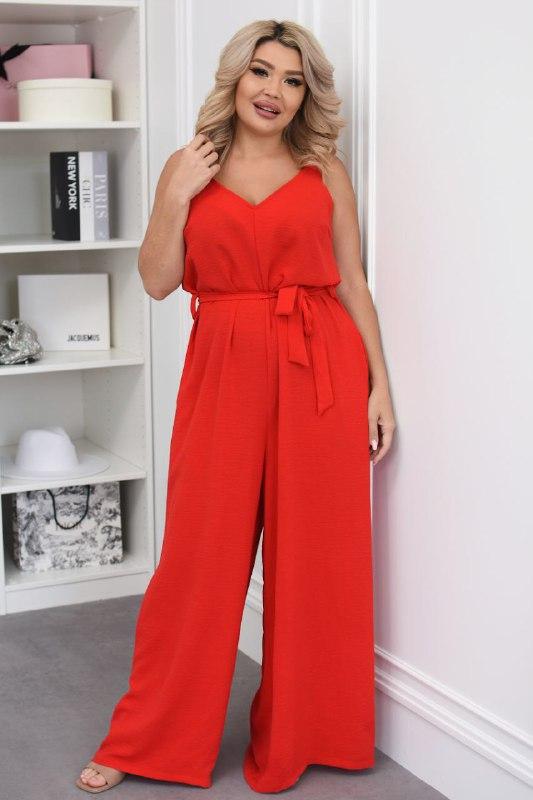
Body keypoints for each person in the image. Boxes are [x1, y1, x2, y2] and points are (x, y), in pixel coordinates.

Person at [76, 18, 396, 795]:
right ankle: (146, 739)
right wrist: (174, 195)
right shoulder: (190, 165)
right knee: (198, 555)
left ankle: (306, 732)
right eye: (261, 71)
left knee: (317, 560)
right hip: (223, 363)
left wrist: (379, 385)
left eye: (292, 80)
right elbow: (158, 280)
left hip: (318, 363)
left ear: (306, 96)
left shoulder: (324, 171)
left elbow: (352, 281)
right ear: (235, 77)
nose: (273, 91)